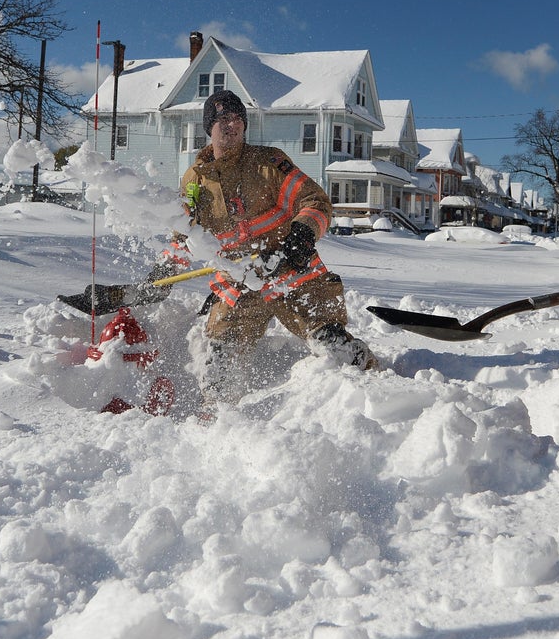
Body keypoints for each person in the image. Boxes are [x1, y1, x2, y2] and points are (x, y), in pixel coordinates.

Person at [63, 89, 375, 403]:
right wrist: (157, 280)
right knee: (219, 367)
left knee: (334, 347)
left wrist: (297, 243)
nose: (233, 125)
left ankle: (380, 389)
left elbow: (316, 202)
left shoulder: (269, 163)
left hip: (294, 275)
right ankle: (218, 425)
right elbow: (183, 239)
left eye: (238, 118)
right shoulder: (194, 181)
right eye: (224, 118)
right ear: (209, 127)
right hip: (237, 284)